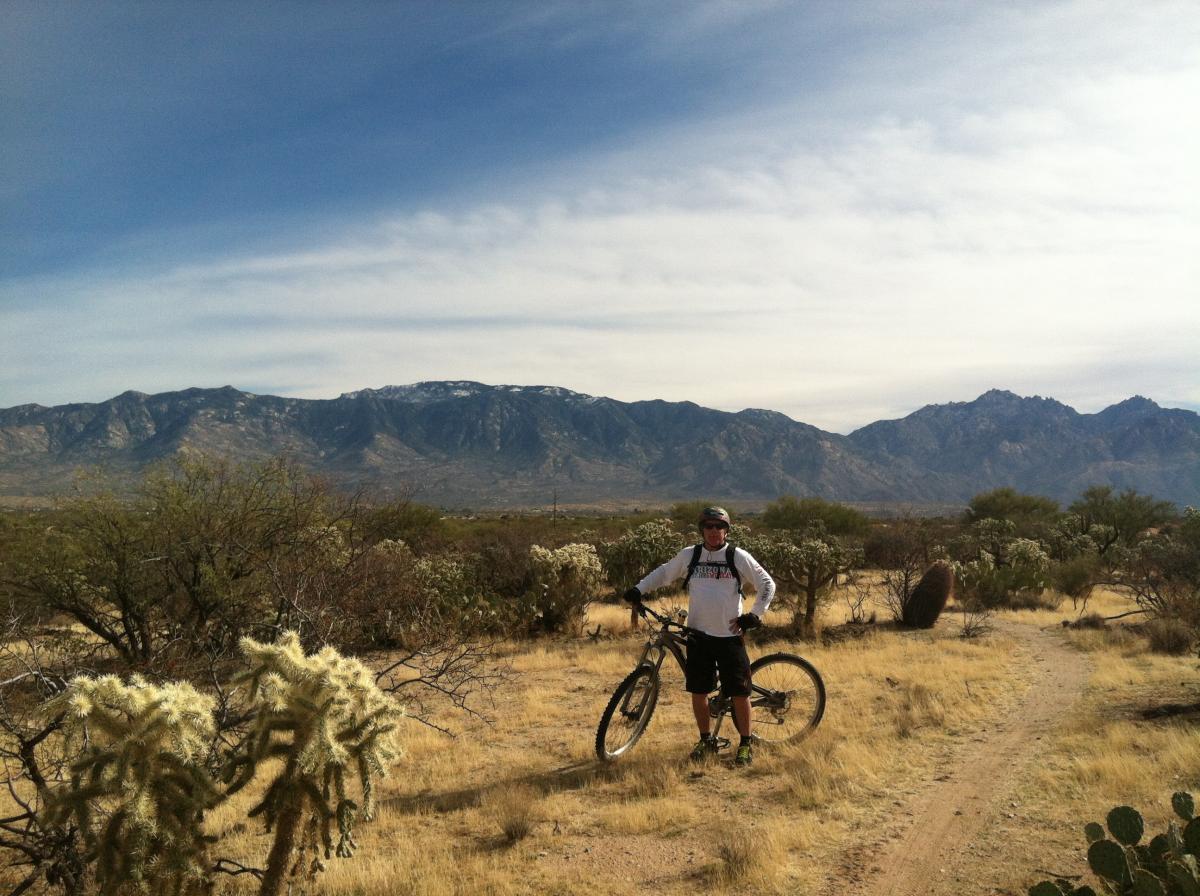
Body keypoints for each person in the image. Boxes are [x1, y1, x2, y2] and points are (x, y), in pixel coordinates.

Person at [623, 507, 775, 766]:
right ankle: (706, 741)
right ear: (702, 529)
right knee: (699, 692)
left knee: (740, 693)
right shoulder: (690, 555)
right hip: (698, 636)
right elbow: (664, 573)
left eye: (719, 526)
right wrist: (639, 589)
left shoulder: (737, 556)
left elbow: (767, 584)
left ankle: (745, 744)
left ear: (727, 530)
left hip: (729, 636)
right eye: (709, 526)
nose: (714, 531)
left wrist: (755, 614)